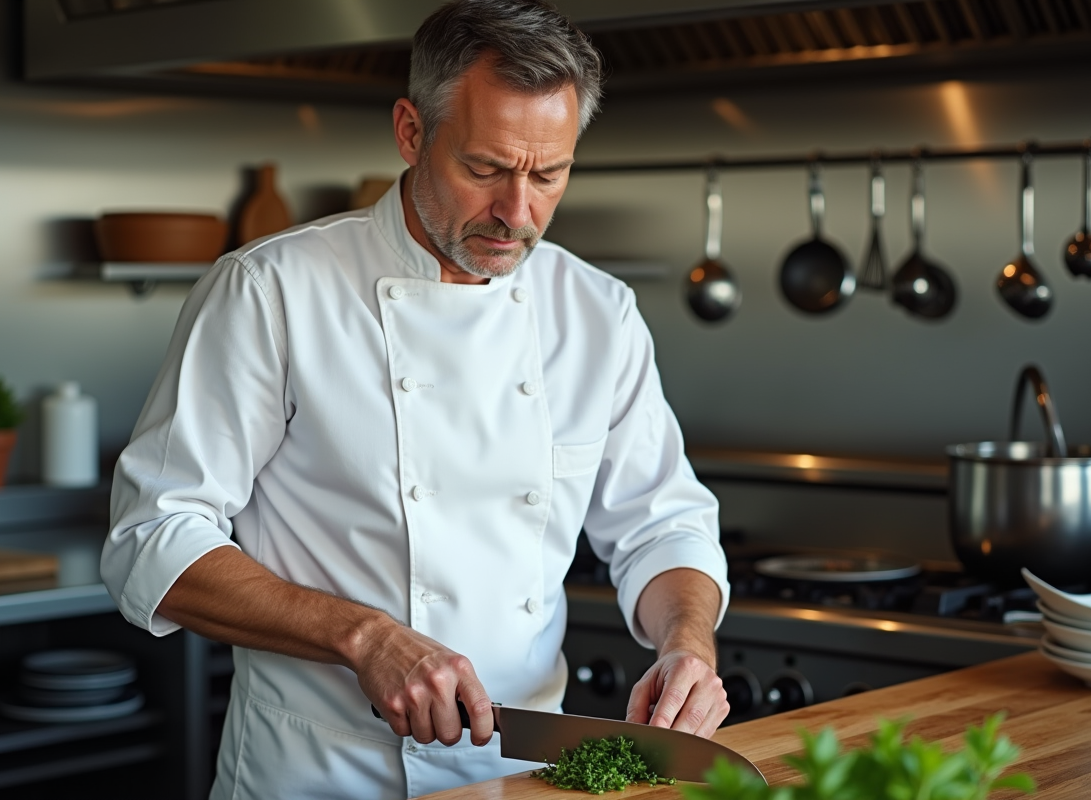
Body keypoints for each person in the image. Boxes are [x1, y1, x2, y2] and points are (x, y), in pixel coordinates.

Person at [101, 1, 730, 797]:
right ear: (409, 131)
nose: (517, 212)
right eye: (485, 168)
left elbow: (662, 523)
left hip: (524, 773)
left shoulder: (595, 311)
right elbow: (151, 537)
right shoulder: (273, 290)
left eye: (549, 175)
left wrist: (687, 643)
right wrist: (364, 636)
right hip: (322, 774)